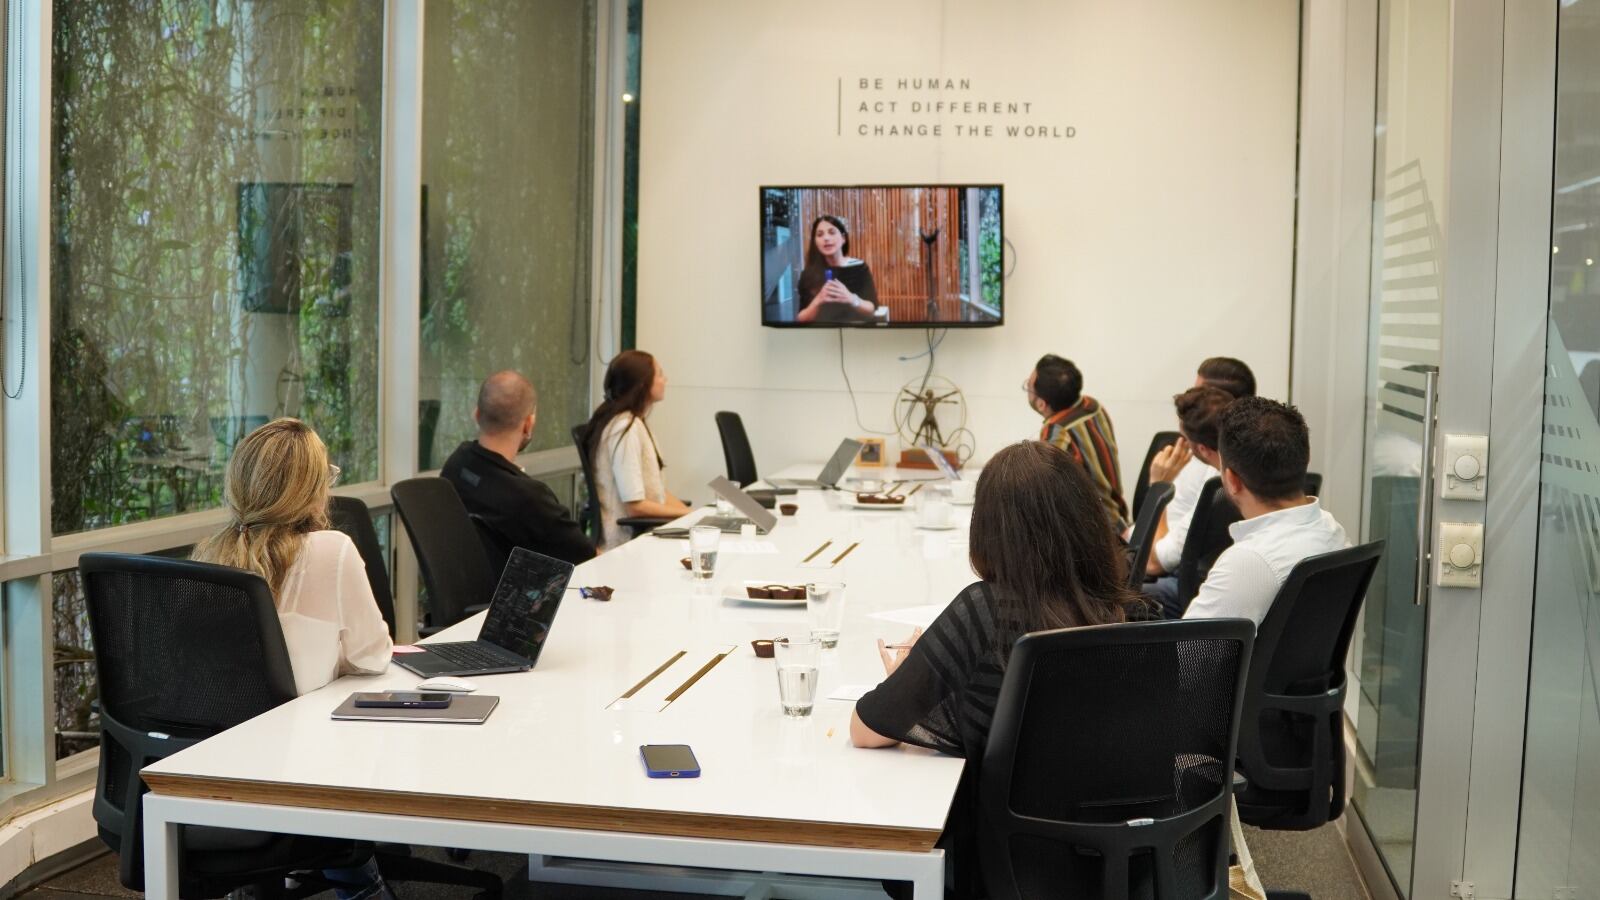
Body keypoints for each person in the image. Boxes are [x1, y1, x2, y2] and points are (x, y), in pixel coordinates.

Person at [849, 441, 1147, 896]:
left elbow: (867, 728)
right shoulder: (1136, 616)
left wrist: (902, 675)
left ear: (988, 530)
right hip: (1127, 865)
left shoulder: (983, 612)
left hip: (1005, 868)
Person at [191, 418, 395, 900]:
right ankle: (359, 880)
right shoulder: (332, 550)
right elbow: (373, 656)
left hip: (209, 774)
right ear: (312, 489)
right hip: (295, 777)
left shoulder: (209, 555)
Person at [1184, 397, 1349, 624]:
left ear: (1231, 480)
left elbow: (1185, 656)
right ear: (1304, 459)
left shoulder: (1249, 563)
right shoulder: (1333, 530)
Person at [442, 371, 597, 571]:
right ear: (528, 424)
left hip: (470, 595)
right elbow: (587, 557)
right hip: (515, 598)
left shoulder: (457, 464)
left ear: (477, 414)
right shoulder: (529, 498)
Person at [583, 350, 691, 549]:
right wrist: (688, 515)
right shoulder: (625, 428)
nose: (665, 379)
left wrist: (696, 516)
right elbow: (635, 507)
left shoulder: (633, 423)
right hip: (625, 542)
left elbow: (657, 491)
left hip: (644, 534)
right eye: (660, 374)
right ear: (644, 383)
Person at [1143, 385, 1234, 617]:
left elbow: (1154, 564)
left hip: (1194, 594)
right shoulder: (1235, 474)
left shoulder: (1217, 485)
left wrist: (1159, 489)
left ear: (1201, 449)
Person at [1025, 354, 1127, 529]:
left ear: (1042, 404)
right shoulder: (1093, 406)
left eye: (1028, 387)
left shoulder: (1057, 431)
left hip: (1097, 535)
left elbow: (1041, 494)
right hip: (1118, 520)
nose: (1027, 387)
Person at [795, 215, 879, 324]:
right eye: (820, 235)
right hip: (821, 335)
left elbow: (871, 309)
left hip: (857, 334)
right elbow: (801, 318)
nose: (826, 238)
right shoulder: (808, 274)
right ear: (815, 242)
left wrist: (851, 299)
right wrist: (819, 300)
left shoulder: (859, 267)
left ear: (843, 238)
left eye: (832, 232)